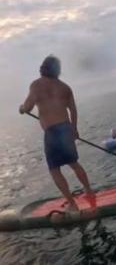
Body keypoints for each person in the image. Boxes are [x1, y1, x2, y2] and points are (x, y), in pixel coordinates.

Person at [19, 55, 94, 211]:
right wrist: (74, 128)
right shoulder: (65, 87)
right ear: (57, 70)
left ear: (43, 68)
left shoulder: (36, 85)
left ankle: (72, 204)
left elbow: (27, 107)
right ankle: (89, 192)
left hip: (52, 132)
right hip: (66, 128)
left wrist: (22, 108)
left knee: (54, 169)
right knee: (74, 163)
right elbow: (73, 110)